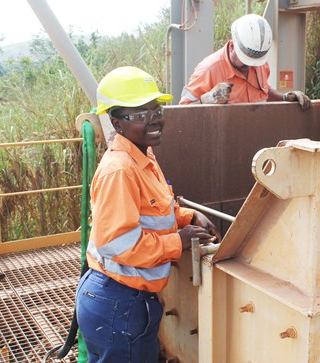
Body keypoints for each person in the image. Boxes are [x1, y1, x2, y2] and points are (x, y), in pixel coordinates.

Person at [76, 66, 221, 363]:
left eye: (156, 111)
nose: (153, 121)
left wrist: (188, 216)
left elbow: (153, 208)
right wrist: (177, 242)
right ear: (116, 122)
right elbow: (115, 243)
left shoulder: (143, 156)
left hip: (125, 302)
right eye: (139, 116)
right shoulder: (120, 170)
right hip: (118, 303)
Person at [179, 13, 311, 110]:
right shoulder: (209, 70)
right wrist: (206, 100)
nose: (250, 66)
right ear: (232, 47)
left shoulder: (260, 63)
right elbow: (181, 111)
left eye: (254, 62)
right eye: (245, 60)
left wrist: (284, 97)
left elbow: (263, 92)